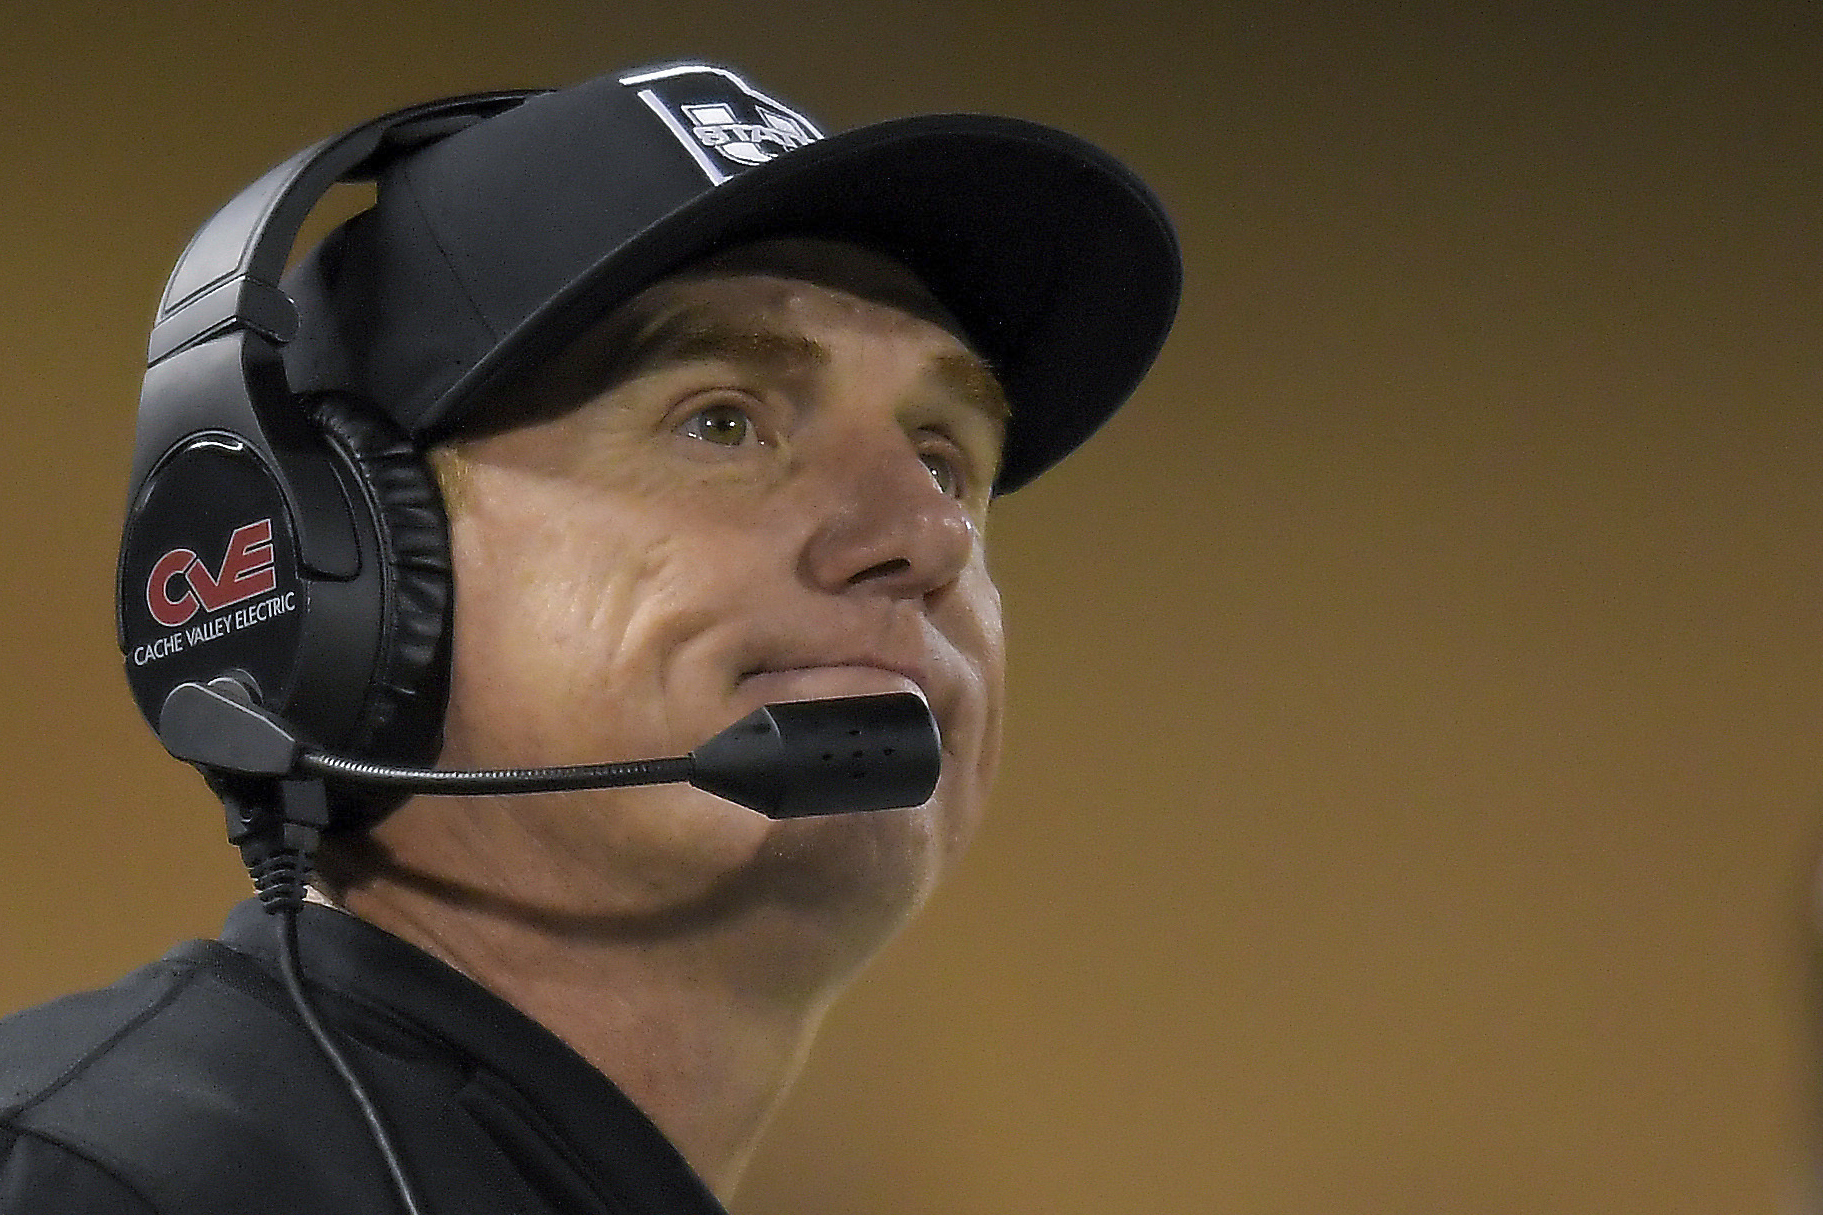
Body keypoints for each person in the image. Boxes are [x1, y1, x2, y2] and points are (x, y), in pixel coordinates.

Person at [0, 61, 1179, 1214]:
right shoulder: (104, 1181)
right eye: (721, 421)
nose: (923, 533)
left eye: (941, 455)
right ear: (348, 576)